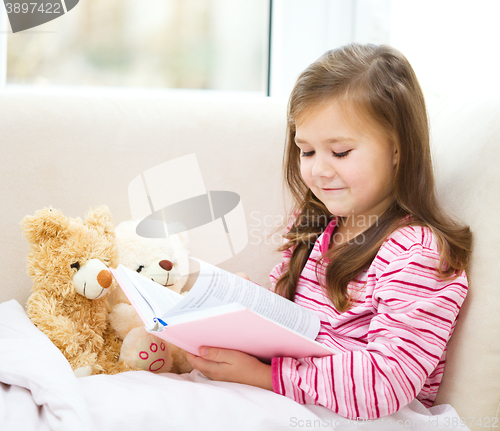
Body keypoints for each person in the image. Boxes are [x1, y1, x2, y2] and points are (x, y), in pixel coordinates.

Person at [185, 43, 471, 419]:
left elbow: (386, 382)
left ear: (398, 150)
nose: (318, 170)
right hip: (293, 393)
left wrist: (267, 377)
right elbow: (293, 327)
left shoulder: (417, 253)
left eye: (339, 152)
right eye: (307, 152)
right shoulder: (316, 226)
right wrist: (249, 307)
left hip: (364, 415)